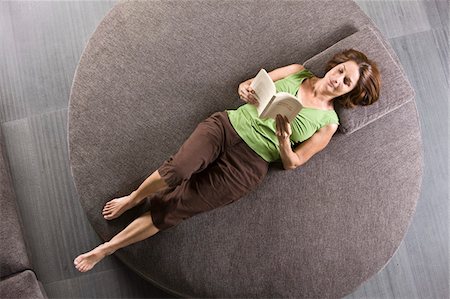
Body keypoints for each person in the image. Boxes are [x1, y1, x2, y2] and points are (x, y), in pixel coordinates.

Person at [74, 48, 381, 272]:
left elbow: (294, 163)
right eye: (342, 71)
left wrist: (285, 138)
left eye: (347, 82)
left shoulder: (328, 123)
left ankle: (106, 249)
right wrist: (247, 90)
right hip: (228, 127)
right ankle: (133, 198)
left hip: (249, 166)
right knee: (178, 169)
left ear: (349, 94)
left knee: (175, 207)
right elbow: (247, 85)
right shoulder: (297, 70)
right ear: (336, 64)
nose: (338, 79)